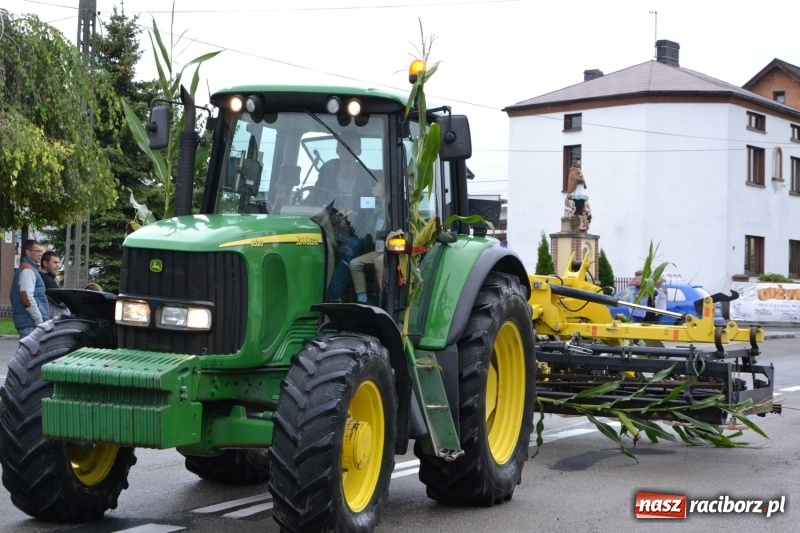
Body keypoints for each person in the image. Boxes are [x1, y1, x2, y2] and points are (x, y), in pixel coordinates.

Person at [312, 131, 378, 302]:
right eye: (342, 144)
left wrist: (355, 212)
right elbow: (315, 197)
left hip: (359, 230)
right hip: (329, 226)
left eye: (351, 145)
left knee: (351, 246)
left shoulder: (367, 176)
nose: (347, 148)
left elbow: (372, 204)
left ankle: (333, 297)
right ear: (337, 149)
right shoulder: (327, 172)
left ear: (359, 150)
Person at [350, 174, 386, 304]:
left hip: (386, 251)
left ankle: (383, 298)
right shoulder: (378, 206)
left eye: (375, 185)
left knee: (379, 262)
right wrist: (352, 212)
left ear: (385, 186)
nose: (372, 188)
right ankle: (362, 299)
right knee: (354, 262)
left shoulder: (392, 209)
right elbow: (362, 209)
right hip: (377, 249)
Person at [10, 239, 49, 338]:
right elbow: (27, 298)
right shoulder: (28, 270)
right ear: (28, 252)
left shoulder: (29, 268)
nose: (40, 254)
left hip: (29, 323)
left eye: (41, 251)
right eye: (37, 251)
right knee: (31, 348)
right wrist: (39, 321)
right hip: (31, 325)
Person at [39, 251, 70, 319]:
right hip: (53, 319)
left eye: (58, 262)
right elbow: (62, 300)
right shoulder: (45, 278)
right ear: (45, 263)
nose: (58, 265)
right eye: (55, 262)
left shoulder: (48, 277)